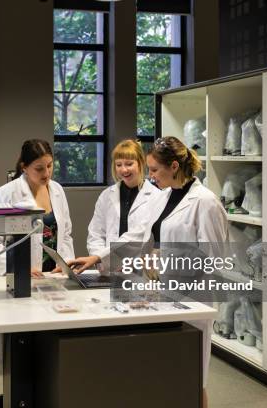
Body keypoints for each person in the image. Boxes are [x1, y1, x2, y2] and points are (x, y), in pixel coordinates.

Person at [70, 136, 228, 407]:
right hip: (162, 296)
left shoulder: (206, 202)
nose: (151, 176)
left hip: (193, 301)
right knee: (167, 373)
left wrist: (166, 262)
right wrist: (98, 256)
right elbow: (137, 236)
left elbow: (216, 259)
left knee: (194, 376)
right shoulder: (164, 196)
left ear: (175, 166)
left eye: (154, 170)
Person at [0, 139, 74, 277]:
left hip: (54, 275)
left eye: (49, 166)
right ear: (24, 167)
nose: (46, 173)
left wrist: (65, 263)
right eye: (39, 169)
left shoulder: (57, 190)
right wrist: (18, 268)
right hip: (20, 276)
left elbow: (65, 235)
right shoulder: (6, 193)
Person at [86, 139, 160, 269]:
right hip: (109, 269)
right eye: (118, 164)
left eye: (129, 164)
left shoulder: (156, 196)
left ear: (141, 163)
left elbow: (138, 235)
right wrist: (100, 260)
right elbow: (96, 234)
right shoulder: (106, 195)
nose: (123, 169)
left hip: (140, 268)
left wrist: (99, 256)